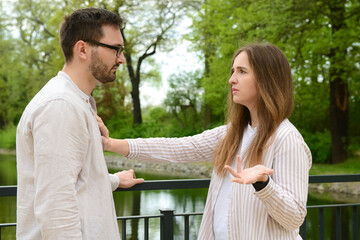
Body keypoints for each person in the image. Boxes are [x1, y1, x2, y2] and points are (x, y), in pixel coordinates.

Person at [97, 43, 312, 239]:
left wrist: (263, 184)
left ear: (267, 79)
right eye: (233, 71)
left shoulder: (287, 139)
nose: (232, 80)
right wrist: (111, 144)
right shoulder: (232, 134)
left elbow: (294, 218)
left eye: (242, 72)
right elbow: (177, 148)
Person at [16, 8, 144, 239]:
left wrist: (114, 180)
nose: (121, 59)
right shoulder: (60, 105)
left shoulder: (75, 101)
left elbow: (70, 179)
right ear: (83, 49)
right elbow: (56, 206)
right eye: (116, 49)